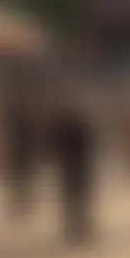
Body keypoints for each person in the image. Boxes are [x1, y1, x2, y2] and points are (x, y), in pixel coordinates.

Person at [49, 92, 97, 245]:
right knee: (74, 200)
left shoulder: (70, 126)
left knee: (77, 200)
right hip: (72, 168)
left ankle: (80, 227)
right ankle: (76, 227)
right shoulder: (67, 126)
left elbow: (89, 147)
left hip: (76, 168)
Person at [3, 96, 40, 218]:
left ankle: (22, 201)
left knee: (22, 180)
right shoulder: (25, 123)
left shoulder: (18, 123)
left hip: (21, 155)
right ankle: (22, 201)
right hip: (21, 155)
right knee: (21, 180)